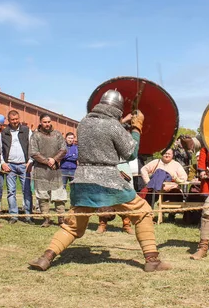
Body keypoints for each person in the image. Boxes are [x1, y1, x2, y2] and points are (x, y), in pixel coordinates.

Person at [29, 90, 171, 272]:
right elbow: (131, 153)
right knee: (143, 211)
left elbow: (104, 131)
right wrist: (136, 129)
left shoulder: (84, 123)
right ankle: (152, 260)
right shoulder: (113, 126)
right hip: (108, 180)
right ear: (117, 109)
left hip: (82, 180)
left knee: (73, 224)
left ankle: (46, 257)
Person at [29, 113, 68, 227]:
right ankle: (47, 219)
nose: (47, 124)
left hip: (55, 169)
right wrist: (47, 161)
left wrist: (54, 159)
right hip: (41, 169)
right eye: (45, 122)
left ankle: (61, 219)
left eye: (49, 122)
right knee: (42, 196)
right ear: (40, 122)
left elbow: (63, 149)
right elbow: (33, 152)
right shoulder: (35, 136)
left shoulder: (57, 134)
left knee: (59, 195)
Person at [1, 110, 33, 224]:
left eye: (16, 119)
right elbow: (0, 149)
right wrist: (3, 163)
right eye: (12, 120)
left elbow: (32, 146)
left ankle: (28, 215)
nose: (15, 122)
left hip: (24, 165)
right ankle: (13, 216)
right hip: (10, 166)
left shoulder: (27, 130)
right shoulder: (4, 132)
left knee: (27, 191)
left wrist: (30, 161)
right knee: (11, 192)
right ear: (8, 120)